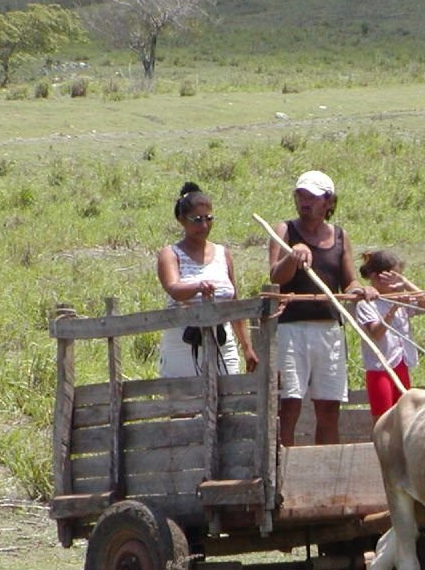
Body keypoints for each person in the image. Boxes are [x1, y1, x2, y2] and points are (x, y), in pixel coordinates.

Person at [267, 170, 374, 445]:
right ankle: (283, 471)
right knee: (288, 405)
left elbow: (348, 280)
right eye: (301, 195)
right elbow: (275, 277)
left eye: (312, 197)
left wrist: (360, 290)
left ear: (328, 202)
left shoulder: (340, 236)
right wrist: (293, 257)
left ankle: (326, 473)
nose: (305, 202)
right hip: (291, 328)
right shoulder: (284, 231)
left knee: (329, 406)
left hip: (328, 329)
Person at [156, 182, 257, 377]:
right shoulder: (170, 254)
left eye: (208, 219)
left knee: (228, 400)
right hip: (183, 342)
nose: (204, 226)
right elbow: (174, 289)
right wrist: (197, 287)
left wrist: (247, 347)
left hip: (222, 340)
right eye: (196, 220)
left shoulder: (222, 253)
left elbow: (234, 302)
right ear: (181, 220)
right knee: (184, 404)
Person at [354, 250, 425, 420]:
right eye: (393, 279)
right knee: (383, 418)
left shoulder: (401, 296)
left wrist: (405, 282)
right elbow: (376, 333)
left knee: (404, 416)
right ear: (376, 277)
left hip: (402, 364)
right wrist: (394, 308)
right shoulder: (366, 304)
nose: (396, 285)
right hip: (381, 368)